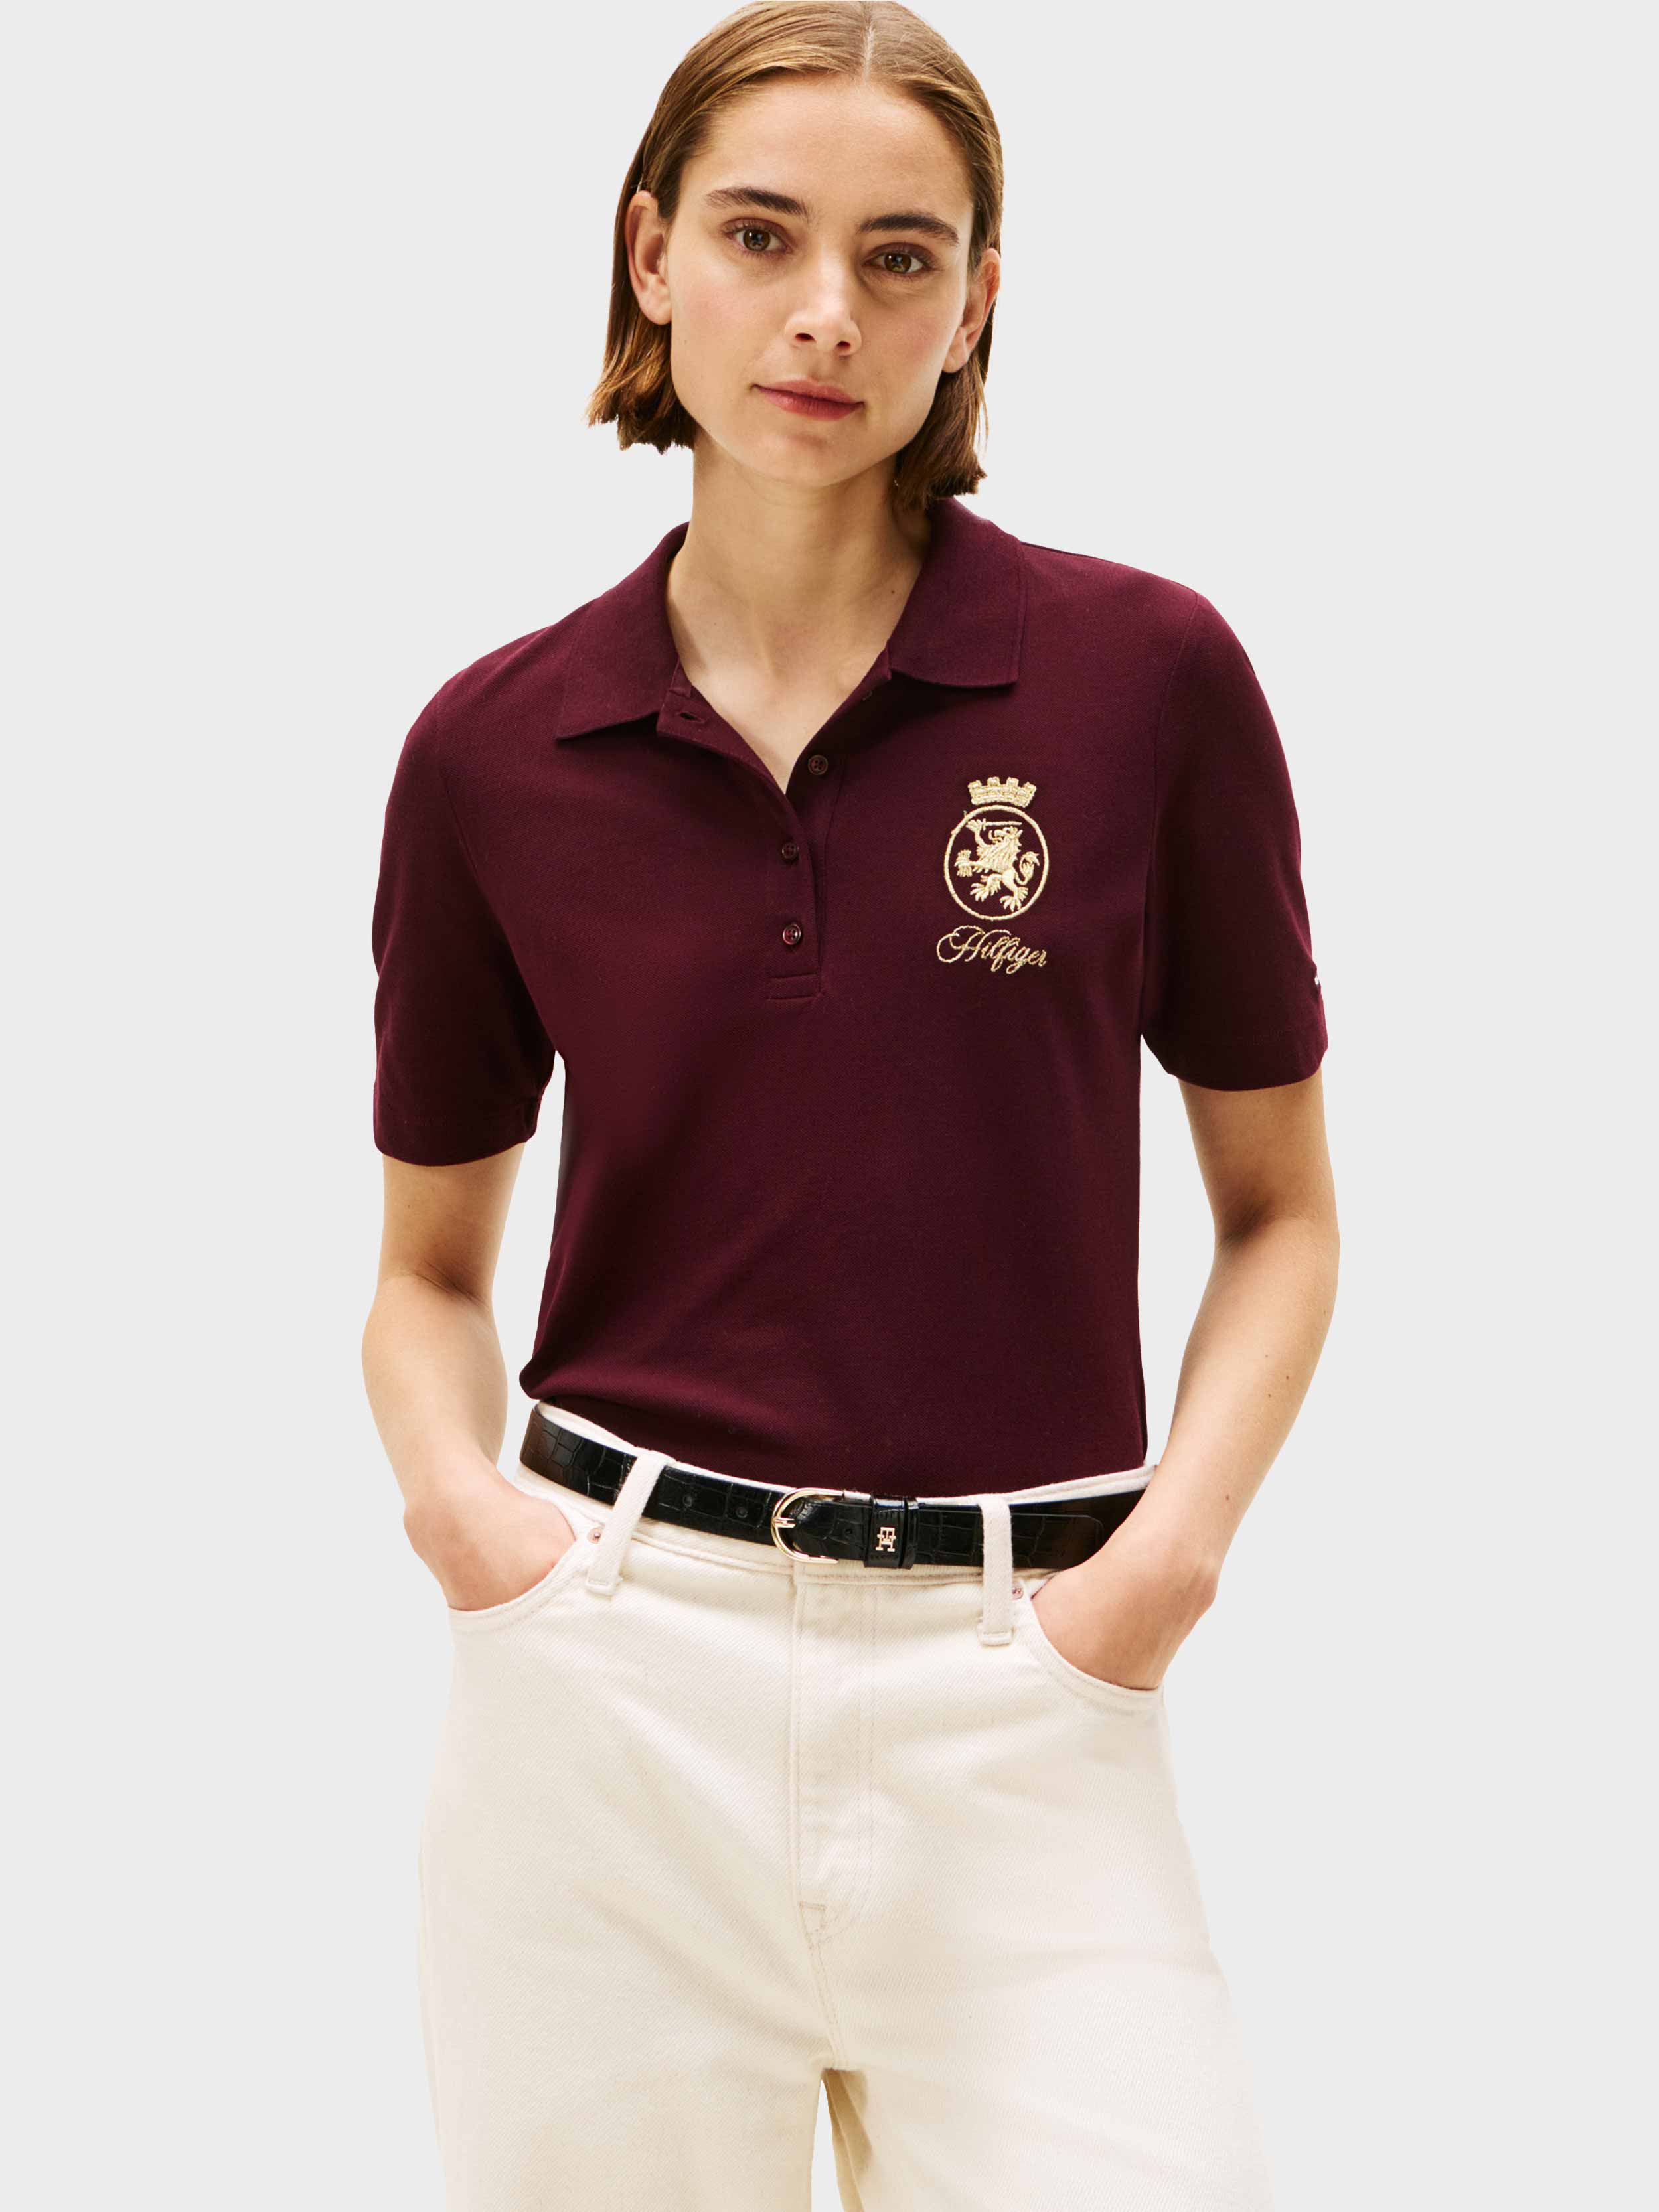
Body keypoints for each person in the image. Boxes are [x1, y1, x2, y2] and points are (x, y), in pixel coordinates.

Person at [362, 3, 1339, 2205]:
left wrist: (1162, 1567)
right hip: (604, 1709)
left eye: (901, 257)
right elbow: (426, 1272)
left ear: (974, 303)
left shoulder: (1144, 680)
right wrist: (467, 1529)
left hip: (1030, 1696)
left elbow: (1280, 1209)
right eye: (760, 234)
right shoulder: (493, 749)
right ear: (650, 256)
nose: (825, 312)